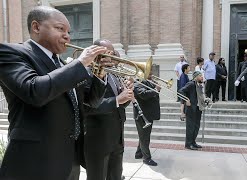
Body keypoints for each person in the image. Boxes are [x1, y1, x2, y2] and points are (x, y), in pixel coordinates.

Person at [0, 6, 108, 180]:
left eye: (68, 31)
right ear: (36, 27)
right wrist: (80, 64)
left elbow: (91, 102)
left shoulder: (64, 64)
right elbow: (34, 90)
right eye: (60, 29)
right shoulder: (11, 52)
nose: (67, 36)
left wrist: (100, 73)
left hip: (69, 161)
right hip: (34, 164)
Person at [83, 39, 133, 180]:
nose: (113, 58)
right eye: (108, 54)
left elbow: (120, 106)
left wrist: (127, 96)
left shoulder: (113, 74)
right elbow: (88, 107)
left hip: (117, 138)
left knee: (115, 176)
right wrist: (117, 99)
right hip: (98, 141)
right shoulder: (86, 72)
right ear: (96, 53)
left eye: (112, 54)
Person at [134, 67, 161, 166]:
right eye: (149, 72)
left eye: (151, 72)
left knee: (144, 136)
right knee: (145, 138)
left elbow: (153, 95)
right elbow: (143, 94)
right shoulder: (137, 82)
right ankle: (147, 158)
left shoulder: (148, 82)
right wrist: (155, 89)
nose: (151, 74)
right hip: (142, 115)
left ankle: (138, 153)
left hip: (148, 114)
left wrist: (155, 87)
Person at [179, 71, 208, 150]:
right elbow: (181, 91)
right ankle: (188, 144)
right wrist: (186, 100)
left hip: (198, 109)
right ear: (196, 77)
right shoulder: (191, 84)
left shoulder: (200, 85)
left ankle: (193, 142)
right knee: (190, 127)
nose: (202, 77)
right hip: (191, 109)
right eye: (200, 76)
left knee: (196, 127)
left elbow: (199, 96)